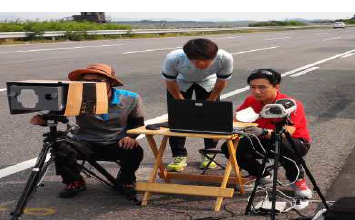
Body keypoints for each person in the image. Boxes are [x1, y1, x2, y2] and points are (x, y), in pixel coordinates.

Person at [29, 64, 144, 198]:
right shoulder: (76, 96)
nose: (91, 85)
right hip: (84, 142)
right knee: (59, 146)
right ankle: (74, 181)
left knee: (135, 150)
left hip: (115, 142)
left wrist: (130, 136)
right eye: (87, 82)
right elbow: (57, 116)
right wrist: (43, 120)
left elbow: (138, 123)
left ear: (111, 82)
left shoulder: (131, 98)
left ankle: (126, 180)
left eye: (96, 81)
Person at [233, 68, 313, 199]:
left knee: (284, 144)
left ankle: (298, 180)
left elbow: (288, 131)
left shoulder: (290, 104)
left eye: (262, 87)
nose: (256, 91)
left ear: (276, 87)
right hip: (263, 140)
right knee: (232, 147)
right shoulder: (251, 101)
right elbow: (237, 119)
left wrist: (263, 131)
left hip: (295, 142)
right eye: (252, 87)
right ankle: (262, 175)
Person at [162, 38, 234, 172]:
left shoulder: (225, 58)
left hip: (208, 82)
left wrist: (211, 101)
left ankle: (209, 153)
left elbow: (221, 81)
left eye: (206, 61)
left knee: (211, 118)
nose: (201, 63)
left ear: (214, 56)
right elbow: (170, 82)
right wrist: (180, 102)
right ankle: (179, 155)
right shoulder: (173, 58)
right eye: (196, 61)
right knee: (178, 117)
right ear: (188, 57)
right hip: (181, 82)